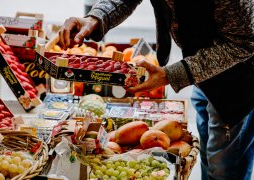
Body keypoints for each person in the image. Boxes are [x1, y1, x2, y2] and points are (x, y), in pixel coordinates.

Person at [58, 0, 254, 179]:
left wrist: (172, 74)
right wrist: (95, 18)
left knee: (224, 169)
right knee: (209, 161)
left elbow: (244, 42)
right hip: (203, 73)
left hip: (237, 81)